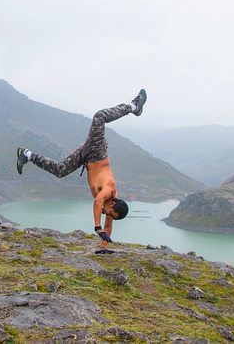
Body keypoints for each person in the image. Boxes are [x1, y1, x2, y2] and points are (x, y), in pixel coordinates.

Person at [16, 89, 147, 254]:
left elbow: (108, 226)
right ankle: (134, 106)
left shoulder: (111, 205)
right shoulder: (109, 192)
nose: (108, 215)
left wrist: (103, 246)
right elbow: (98, 202)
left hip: (86, 157)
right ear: (113, 204)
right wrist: (97, 227)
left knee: (60, 170)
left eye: (110, 216)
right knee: (99, 117)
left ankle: (26, 155)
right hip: (97, 152)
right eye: (111, 214)